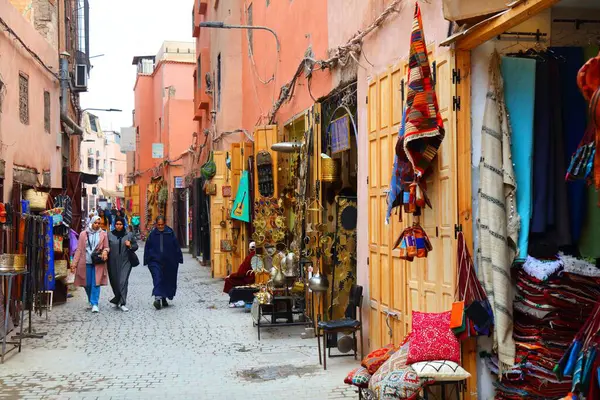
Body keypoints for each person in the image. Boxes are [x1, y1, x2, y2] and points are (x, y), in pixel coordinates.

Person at [144, 216, 183, 310]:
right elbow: (147, 247)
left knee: (167, 279)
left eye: (162, 225)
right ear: (156, 224)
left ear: (164, 224)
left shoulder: (170, 233)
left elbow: (176, 246)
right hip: (155, 261)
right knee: (157, 278)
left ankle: (164, 297)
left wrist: (179, 258)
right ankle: (157, 298)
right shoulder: (152, 235)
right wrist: (147, 260)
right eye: (159, 225)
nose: (160, 227)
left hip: (169, 261)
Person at [71, 216, 109, 313]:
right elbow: (79, 249)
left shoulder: (103, 234)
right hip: (85, 262)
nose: (97, 225)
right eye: (95, 223)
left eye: (98, 223)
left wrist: (105, 251)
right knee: (86, 284)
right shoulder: (83, 234)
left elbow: (106, 247)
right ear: (91, 222)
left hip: (98, 262)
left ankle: (95, 303)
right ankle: (90, 300)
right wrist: (74, 264)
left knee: (96, 283)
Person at [107, 216, 138, 312]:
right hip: (112, 261)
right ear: (114, 225)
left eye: (120, 224)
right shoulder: (109, 235)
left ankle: (123, 302)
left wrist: (130, 245)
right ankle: (117, 299)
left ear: (123, 225)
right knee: (115, 282)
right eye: (117, 224)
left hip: (126, 261)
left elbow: (135, 246)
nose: (118, 226)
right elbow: (105, 246)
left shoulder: (128, 235)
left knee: (123, 281)